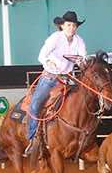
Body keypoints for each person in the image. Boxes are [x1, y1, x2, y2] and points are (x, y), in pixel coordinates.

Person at [24, 10, 87, 156]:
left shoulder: (79, 41)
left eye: (74, 25)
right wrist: (48, 62)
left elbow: (83, 59)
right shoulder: (55, 38)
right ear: (62, 26)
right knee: (35, 105)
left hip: (68, 78)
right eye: (69, 25)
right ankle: (32, 138)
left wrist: (82, 62)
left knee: (81, 102)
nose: (71, 28)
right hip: (50, 78)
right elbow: (41, 55)